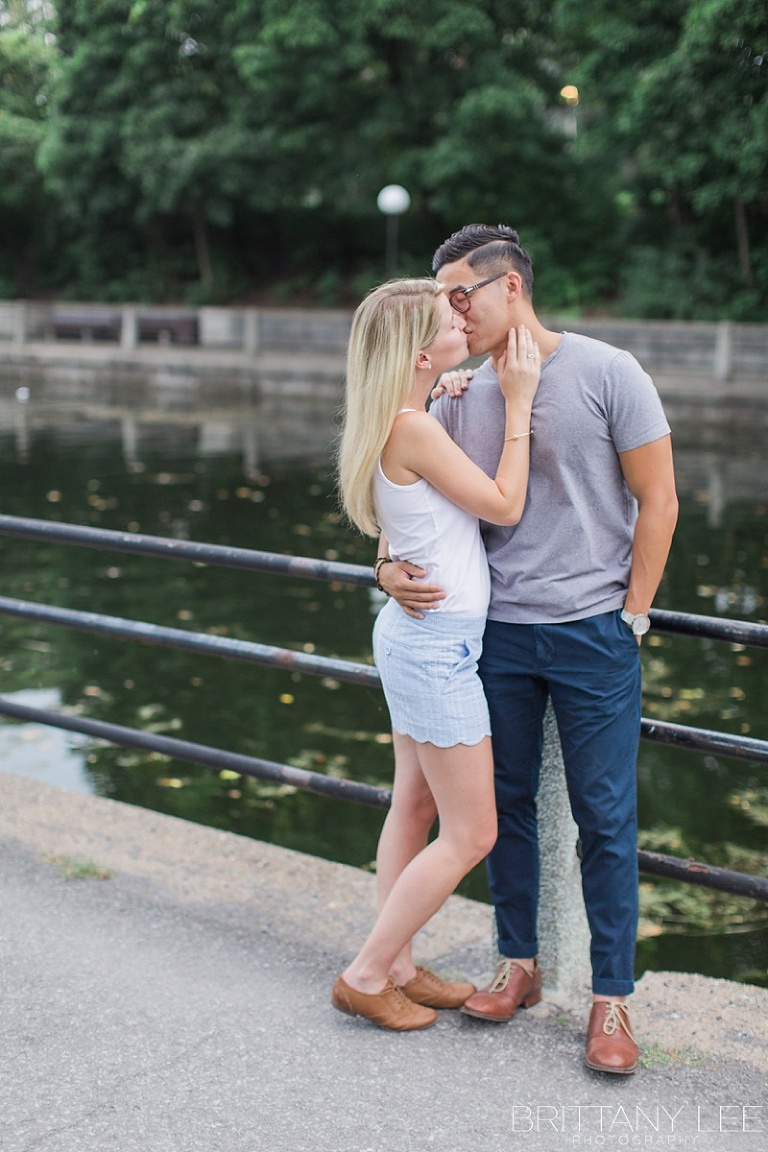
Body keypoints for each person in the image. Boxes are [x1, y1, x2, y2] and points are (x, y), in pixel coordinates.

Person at [377, 225, 679, 1072]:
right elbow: (413, 507)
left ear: (511, 289)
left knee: (606, 819)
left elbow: (658, 502)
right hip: (493, 636)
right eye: (443, 300)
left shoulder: (610, 373)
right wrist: (384, 567)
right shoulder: (456, 391)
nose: (451, 312)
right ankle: (520, 964)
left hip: (593, 635)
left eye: (462, 295)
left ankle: (612, 1003)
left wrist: (635, 615)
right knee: (502, 809)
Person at [334, 277, 540, 1031]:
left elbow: (405, 525)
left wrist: (450, 387)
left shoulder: (401, 416)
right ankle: (365, 972)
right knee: (472, 832)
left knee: (415, 804)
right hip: (436, 649)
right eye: (450, 318)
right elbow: (505, 505)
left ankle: (398, 968)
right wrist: (516, 403)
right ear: (424, 353)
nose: (466, 319)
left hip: (418, 639)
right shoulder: (413, 427)